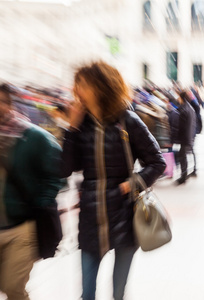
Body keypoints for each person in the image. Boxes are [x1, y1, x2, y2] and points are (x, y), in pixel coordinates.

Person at [60, 62, 166, 300]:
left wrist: (132, 184)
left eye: (82, 85)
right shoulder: (81, 125)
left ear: (101, 87)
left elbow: (157, 163)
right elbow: (65, 169)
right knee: (87, 293)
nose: (76, 91)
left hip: (125, 215)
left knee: (118, 293)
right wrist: (72, 128)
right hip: (91, 218)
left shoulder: (127, 121)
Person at [0, 83, 63, 299]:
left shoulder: (35, 137)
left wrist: (42, 201)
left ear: (9, 104)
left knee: (13, 287)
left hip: (22, 227)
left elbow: (57, 173)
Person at [173, 91, 196, 184]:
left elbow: (181, 127)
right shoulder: (190, 108)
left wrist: (176, 138)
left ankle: (183, 176)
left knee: (182, 157)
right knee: (183, 156)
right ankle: (185, 174)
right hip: (189, 136)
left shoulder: (183, 110)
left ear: (181, 97)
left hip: (184, 137)